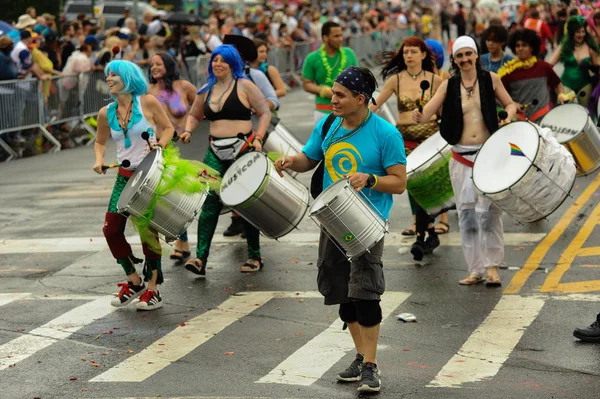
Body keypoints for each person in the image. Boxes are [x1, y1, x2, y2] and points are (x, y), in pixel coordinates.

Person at [275, 66, 407, 393]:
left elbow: (400, 182)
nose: (331, 99)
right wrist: (292, 161)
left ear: (361, 99)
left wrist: (371, 179)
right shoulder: (329, 123)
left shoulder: (386, 134)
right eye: (332, 93)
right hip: (332, 218)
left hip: (367, 221)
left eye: (339, 95)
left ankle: (372, 366)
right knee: (341, 291)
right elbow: (310, 158)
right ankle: (361, 356)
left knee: (365, 290)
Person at [413, 36, 517, 286]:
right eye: (460, 55)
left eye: (469, 54)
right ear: (454, 59)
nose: (465, 59)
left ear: (476, 55)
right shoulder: (449, 85)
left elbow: (510, 104)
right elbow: (427, 113)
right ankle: (475, 269)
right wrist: (419, 114)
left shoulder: (490, 79)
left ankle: (493, 267)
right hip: (460, 158)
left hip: (488, 156)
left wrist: (508, 116)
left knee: (490, 214)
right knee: (468, 216)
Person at [179, 44, 271, 276]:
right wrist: (189, 130)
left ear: (233, 63)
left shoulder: (245, 85)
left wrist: (259, 137)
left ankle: (255, 256)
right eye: (214, 60)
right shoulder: (206, 89)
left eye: (223, 60)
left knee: (246, 203)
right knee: (208, 201)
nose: (217, 64)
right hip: (215, 150)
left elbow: (265, 112)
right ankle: (200, 258)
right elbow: (194, 114)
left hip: (243, 147)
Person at [93, 60, 175, 310]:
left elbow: (168, 128)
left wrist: (160, 144)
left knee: (147, 233)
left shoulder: (147, 102)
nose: (108, 79)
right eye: (107, 75)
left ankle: (153, 289)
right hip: (124, 177)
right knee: (111, 229)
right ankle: (133, 279)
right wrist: (99, 160)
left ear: (127, 77)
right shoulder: (105, 113)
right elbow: (99, 142)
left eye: (113, 75)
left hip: (149, 175)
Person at [370, 37, 445, 260]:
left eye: (413, 51)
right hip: (405, 141)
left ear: (424, 54)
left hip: (430, 141)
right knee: (411, 184)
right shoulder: (395, 80)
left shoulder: (436, 80)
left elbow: (443, 115)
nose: (409, 55)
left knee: (427, 186)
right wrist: (357, 116)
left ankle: (424, 235)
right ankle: (427, 233)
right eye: (405, 52)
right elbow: (376, 104)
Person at [147, 52, 198, 261]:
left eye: (158, 64)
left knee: (181, 196)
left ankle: (183, 241)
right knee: (168, 197)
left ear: (168, 65)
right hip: (160, 148)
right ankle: (182, 241)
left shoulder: (184, 86)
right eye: (151, 65)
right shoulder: (148, 91)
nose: (154, 67)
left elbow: (201, 109)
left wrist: (190, 129)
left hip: (182, 146)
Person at [499, 28, 568, 123]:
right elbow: (499, 96)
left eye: (524, 45)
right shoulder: (508, 72)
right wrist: (513, 104)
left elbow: (557, 84)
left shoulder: (544, 67)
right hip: (519, 120)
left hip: (545, 117)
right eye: (517, 46)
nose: (520, 48)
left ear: (532, 47)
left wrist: (561, 94)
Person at [302, 21, 359, 123]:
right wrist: (323, 91)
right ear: (325, 38)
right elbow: (306, 84)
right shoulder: (312, 58)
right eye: (336, 36)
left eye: (341, 35)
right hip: (323, 111)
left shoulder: (349, 54)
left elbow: (359, 79)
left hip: (348, 111)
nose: (340, 39)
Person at [548, 16, 600, 109]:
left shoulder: (590, 47)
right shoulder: (564, 46)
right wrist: (553, 82)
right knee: (563, 110)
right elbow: (549, 65)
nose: (581, 35)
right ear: (572, 33)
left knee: (586, 112)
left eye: (583, 31)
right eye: (578, 32)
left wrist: (591, 67)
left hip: (584, 84)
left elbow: (598, 70)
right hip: (566, 83)